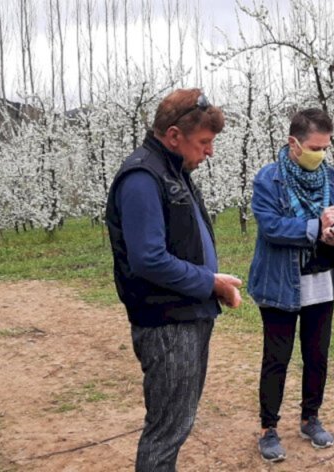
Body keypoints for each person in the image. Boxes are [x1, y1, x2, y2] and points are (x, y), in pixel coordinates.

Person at [105, 88, 243, 472]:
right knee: (166, 431)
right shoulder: (142, 177)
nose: (210, 151)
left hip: (187, 315)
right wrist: (208, 282)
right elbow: (148, 259)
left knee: (176, 425)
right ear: (173, 136)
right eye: (204, 142)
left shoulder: (171, 170)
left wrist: (211, 285)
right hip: (167, 322)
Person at [247, 108, 334, 462]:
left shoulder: (333, 180)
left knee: (317, 356)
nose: (321, 155)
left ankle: (311, 418)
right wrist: (314, 227)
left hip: (322, 283)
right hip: (281, 284)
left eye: (326, 148)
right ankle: (268, 429)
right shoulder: (269, 180)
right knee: (276, 358)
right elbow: (271, 226)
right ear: (293, 143)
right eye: (315, 147)